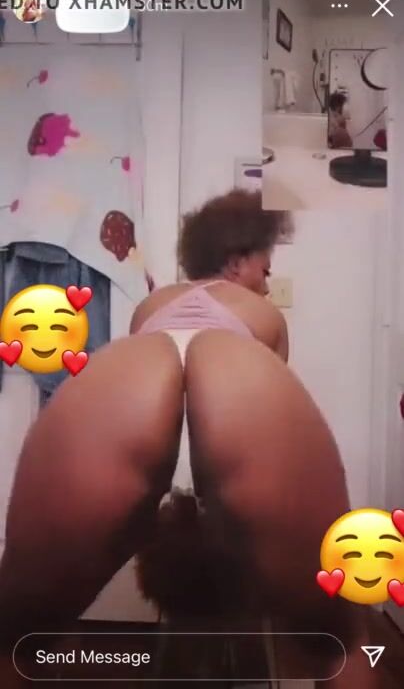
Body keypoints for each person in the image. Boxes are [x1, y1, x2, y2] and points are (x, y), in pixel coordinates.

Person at [0, 190, 377, 687]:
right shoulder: (263, 316)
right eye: (265, 270)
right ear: (236, 260)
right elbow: (252, 431)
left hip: (127, 381)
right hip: (237, 384)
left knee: (20, 637)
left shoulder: (152, 306)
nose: (267, 284)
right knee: (341, 640)